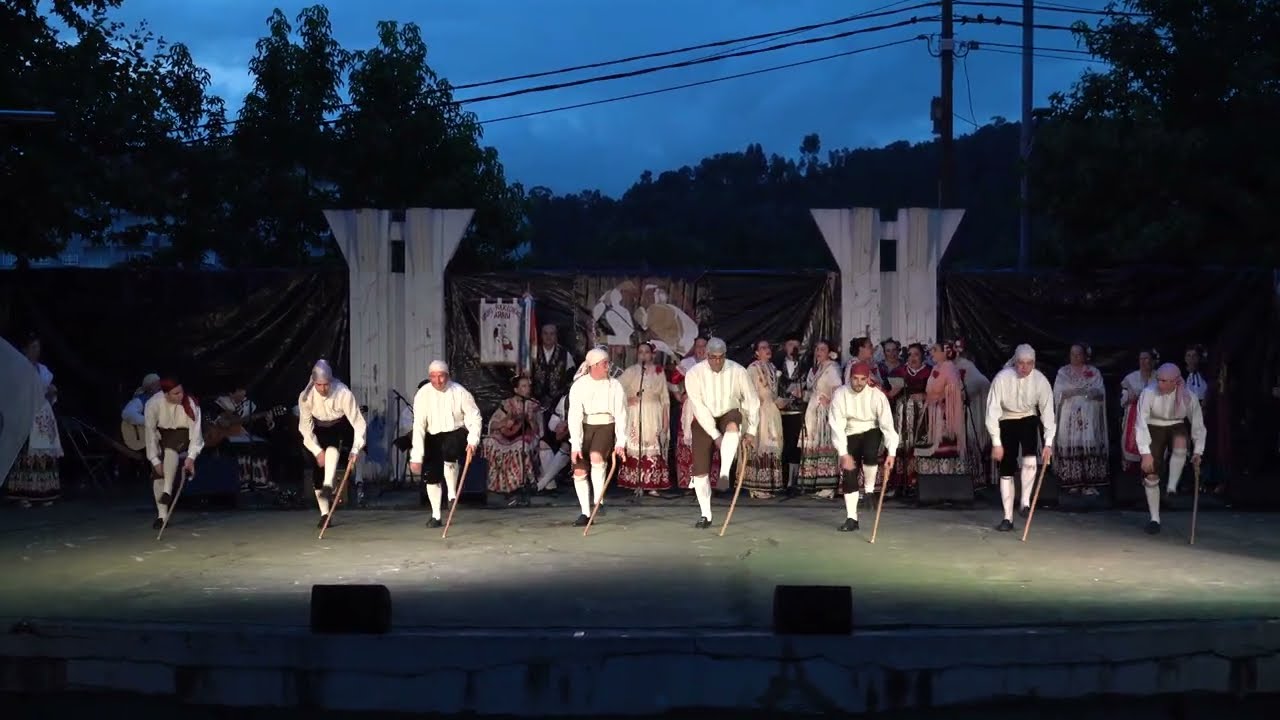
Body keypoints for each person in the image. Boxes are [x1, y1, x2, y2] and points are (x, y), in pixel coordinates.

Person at [682, 337, 760, 528]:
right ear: (706, 356)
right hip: (704, 418)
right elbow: (698, 407)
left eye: (720, 357)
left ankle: (724, 473)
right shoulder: (694, 374)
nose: (717, 361)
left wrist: (751, 430)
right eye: (713, 357)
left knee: (733, 425)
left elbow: (752, 401)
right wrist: (715, 435)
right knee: (700, 471)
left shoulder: (738, 371)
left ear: (725, 355)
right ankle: (705, 514)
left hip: (728, 411)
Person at [985, 344, 1056, 532]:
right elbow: (992, 412)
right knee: (1006, 466)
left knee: (1029, 450)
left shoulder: (1040, 381)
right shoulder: (1002, 379)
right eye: (1021, 363)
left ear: (1034, 363)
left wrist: (1049, 443)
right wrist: (996, 443)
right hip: (1006, 419)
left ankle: (1025, 501)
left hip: (1028, 417)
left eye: (1029, 364)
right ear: (1015, 362)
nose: (1024, 368)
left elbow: (1048, 412)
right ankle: (1007, 518)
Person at [1135, 363, 1206, 535]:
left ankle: (1171, 487)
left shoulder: (1188, 395)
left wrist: (1198, 451)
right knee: (1150, 472)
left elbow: (1198, 424)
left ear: (1176, 381)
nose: (1160, 384)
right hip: (1154, 425)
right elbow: (1140, 423)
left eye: (1165, 381)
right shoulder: (1149, 392)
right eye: (1158, 380)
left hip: (1176, 424)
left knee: (1181, 441)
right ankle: (1154, 519)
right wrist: (1145, 453)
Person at [410, 361, 482, 528]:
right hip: (432, 434)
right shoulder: (422, 394)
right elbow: (419, 426)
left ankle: (451, 494)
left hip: (456, 431)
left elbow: (474, 417)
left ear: (448, 376)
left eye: (441, 376)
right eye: (434, 377)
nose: (438, 380)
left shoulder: (460, 392)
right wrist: (416, 456)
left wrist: (473, 440)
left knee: (449, 449)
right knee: (431, 475)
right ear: (429, 378)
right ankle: (436, 515)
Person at [827, 362, 898, 532]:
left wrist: (892, 452)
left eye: (862, 379)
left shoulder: (877, 395)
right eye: (855, 379)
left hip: (871, 429)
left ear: (868, 379)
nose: (858, 383)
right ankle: (852, 518)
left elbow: (887, 425)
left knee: (869, 452)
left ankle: (869, 490)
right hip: (849, 432)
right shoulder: (840, 394)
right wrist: (844, 453)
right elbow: (836, 425)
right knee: (849, 474)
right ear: (850, 377)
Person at [297, 359, 367, 529]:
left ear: (331, 380)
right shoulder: (306, 397)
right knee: (318, 469)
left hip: (340, 425)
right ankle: (325, 513)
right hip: (318, 427)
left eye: (326, 384)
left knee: (333, 448)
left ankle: (332, 482)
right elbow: (305, 429)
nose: (323, 389)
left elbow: (358, 423)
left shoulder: (343, 392)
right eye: (319, 385)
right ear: (314, 382)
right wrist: (315, 450)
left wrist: (355, 449)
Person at [566, 347, 627, 526]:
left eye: (608, 363)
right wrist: (575, 444)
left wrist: (621, 441)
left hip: (605, 425)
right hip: (585, 427)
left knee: (596, 457)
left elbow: (622, 414)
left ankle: (598, 501)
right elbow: (574, 416)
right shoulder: (579, 386)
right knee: (579, 470)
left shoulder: (614, 385)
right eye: (604, 364)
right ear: (593, 366)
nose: (608, 367)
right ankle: (585, 513)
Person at [144, 378, 205, 530]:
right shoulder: (153, 404)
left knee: (171, 448)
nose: (180, 396)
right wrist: (155, 460)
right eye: (175, 393)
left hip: (183, 434)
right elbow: (150, 433)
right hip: (162, 435)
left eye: (181, 391)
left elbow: (196, 434)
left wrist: (191, 457)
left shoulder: (191, 404)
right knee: (158, 473)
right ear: (165, 394)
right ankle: (162, 516)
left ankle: (167, 490)